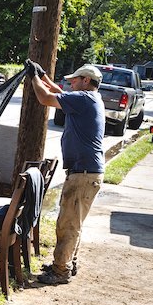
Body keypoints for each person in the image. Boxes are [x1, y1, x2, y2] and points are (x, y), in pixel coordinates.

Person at [25, 61, 105, 285]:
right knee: (73, 222)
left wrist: (33, 78)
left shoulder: (83, 98)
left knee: (68, 224)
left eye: (74, 80)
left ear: (86, 81)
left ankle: (61, 272)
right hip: (87, 172)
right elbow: (59, 93)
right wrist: (43, 77)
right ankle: (68, 263)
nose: (70, 84)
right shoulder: (89, 99)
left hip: (84, 173)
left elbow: (45, 99)